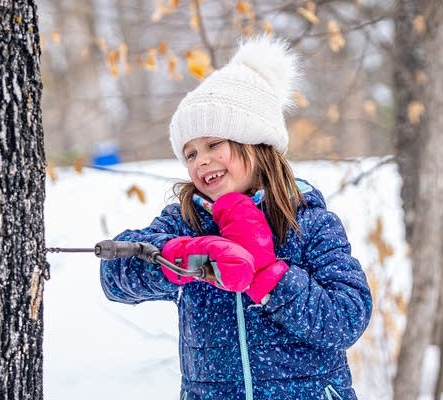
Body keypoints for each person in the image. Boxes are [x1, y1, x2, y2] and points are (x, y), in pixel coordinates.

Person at [100, 34, 372, 400]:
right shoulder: (187, 222)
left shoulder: (308, 222)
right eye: (191, 153)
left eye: (214, 144)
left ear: (255, 144)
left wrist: (270, 277)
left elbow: (346, 317)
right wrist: (181, 257)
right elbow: (116, 276)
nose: (202, 161)